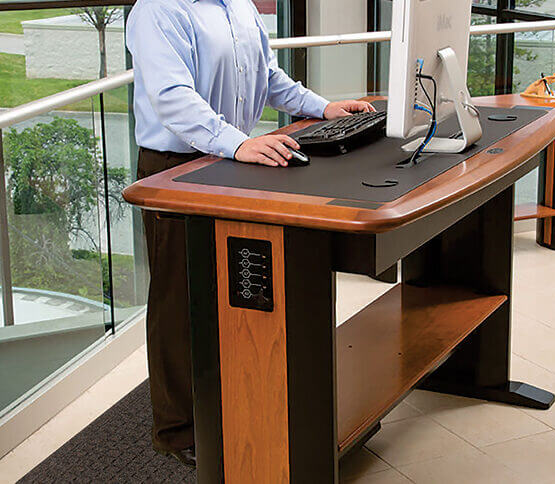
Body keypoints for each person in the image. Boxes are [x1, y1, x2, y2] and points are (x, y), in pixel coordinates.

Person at [126, 0, 374, 467]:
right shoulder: (158, 9)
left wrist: (321, 107)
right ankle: (177, 429)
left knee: (233, 295)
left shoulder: (238, 6)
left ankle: (233, 399)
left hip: (230, 157)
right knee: (179, 302)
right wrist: (238, 143)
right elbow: (173, 97)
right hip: (176, 170)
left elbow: (268, 76)